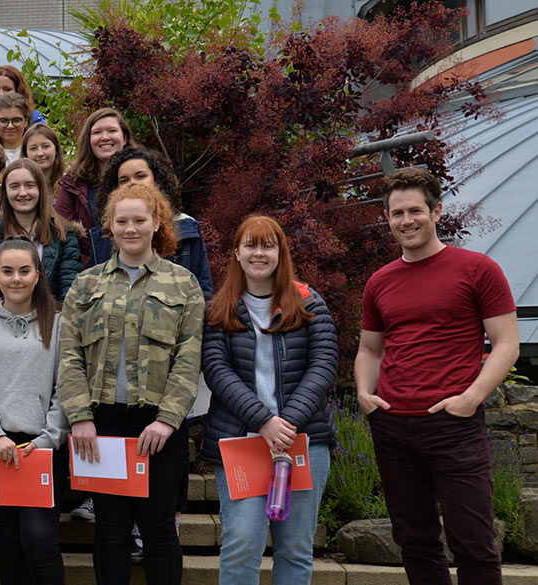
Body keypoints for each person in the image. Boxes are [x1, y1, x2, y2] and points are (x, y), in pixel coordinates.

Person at [355, 167, 518, 585]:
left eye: (415, 210)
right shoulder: (379, 282)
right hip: (393, 424)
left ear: (437, 211)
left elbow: (506, 345)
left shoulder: (478, 269)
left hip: (454, 423)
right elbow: (370, 349)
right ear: (387, 219)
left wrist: (471, 397)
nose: (406, 221)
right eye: (396, 213)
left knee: (474, 541)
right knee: (414, 540)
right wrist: (363, 393)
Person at [57, 182, 204, 585]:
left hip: (158, 425)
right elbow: (69, 355)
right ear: (110, 226)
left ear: (157, 222)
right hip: (100, 424)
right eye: (122, 221)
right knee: (110, 527)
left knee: (158, 527)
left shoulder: (182, 284)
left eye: (140, 220)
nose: (131, 229)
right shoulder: (85, 285)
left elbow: (189, 358)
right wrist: (80, 416)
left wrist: (169, 419)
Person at [202, 215, 338, 585]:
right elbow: (216, 371)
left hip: (302, 441)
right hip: (241, 441)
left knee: (294, 548)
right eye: (251, 244)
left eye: (268, 245)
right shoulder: (219, 308)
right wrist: (263, 421)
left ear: (281, 253)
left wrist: (287, 422)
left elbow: (324, 367)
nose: (258, 253)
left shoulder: (310, 303)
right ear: (237, 253)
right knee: (242, 542)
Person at [0, 237, 68, 585]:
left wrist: (50, 438)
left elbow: (67, 385)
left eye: (24, 271)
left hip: (42, 448)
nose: (16, 279)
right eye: (8, 271)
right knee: (6, 542)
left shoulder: (59, 323)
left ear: (38, 274)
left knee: (39, 538)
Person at [101, 147, 213, 299]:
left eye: (140, 176)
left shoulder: (186, 228)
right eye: (124, 180)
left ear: (157, 179)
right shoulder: (105, 234)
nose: (132, 183)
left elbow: (203, 292)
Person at [0, 159, 81, 309]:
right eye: (14, 186)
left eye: (29, 185)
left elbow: (69, 292)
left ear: (40, 189)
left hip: (50, 322)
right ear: (5, 192)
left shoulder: (63, 235)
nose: (22, 193)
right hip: (1, 323)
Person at [55, 108, 132, 266]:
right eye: (97, 132)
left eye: (112, 130)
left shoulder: (141, 175)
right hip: (91, 273)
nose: (105, 137)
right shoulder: (73, 183)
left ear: (124, 138)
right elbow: (60, 231)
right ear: (88, 140)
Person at [21, 124, 64, 200]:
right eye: (33, 148)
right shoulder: (19, 189)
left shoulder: (68, 185)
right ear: (26, 153)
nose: (40, 153)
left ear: (56, 149)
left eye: (45, 146)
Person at [0, 93, 31, 165]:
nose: (10, 126)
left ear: (26, 121)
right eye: (3, 121)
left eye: (16, 120)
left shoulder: (35, 152)